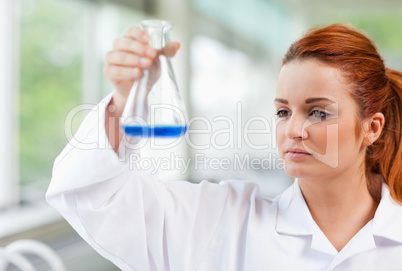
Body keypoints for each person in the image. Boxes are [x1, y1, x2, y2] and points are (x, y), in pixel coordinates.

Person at [46, 23, 402, 271]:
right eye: (282, 111)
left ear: (371, 128)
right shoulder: (221, 223)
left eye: (318, 112)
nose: (292, 129)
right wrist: (126, 97)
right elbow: (95, 195)